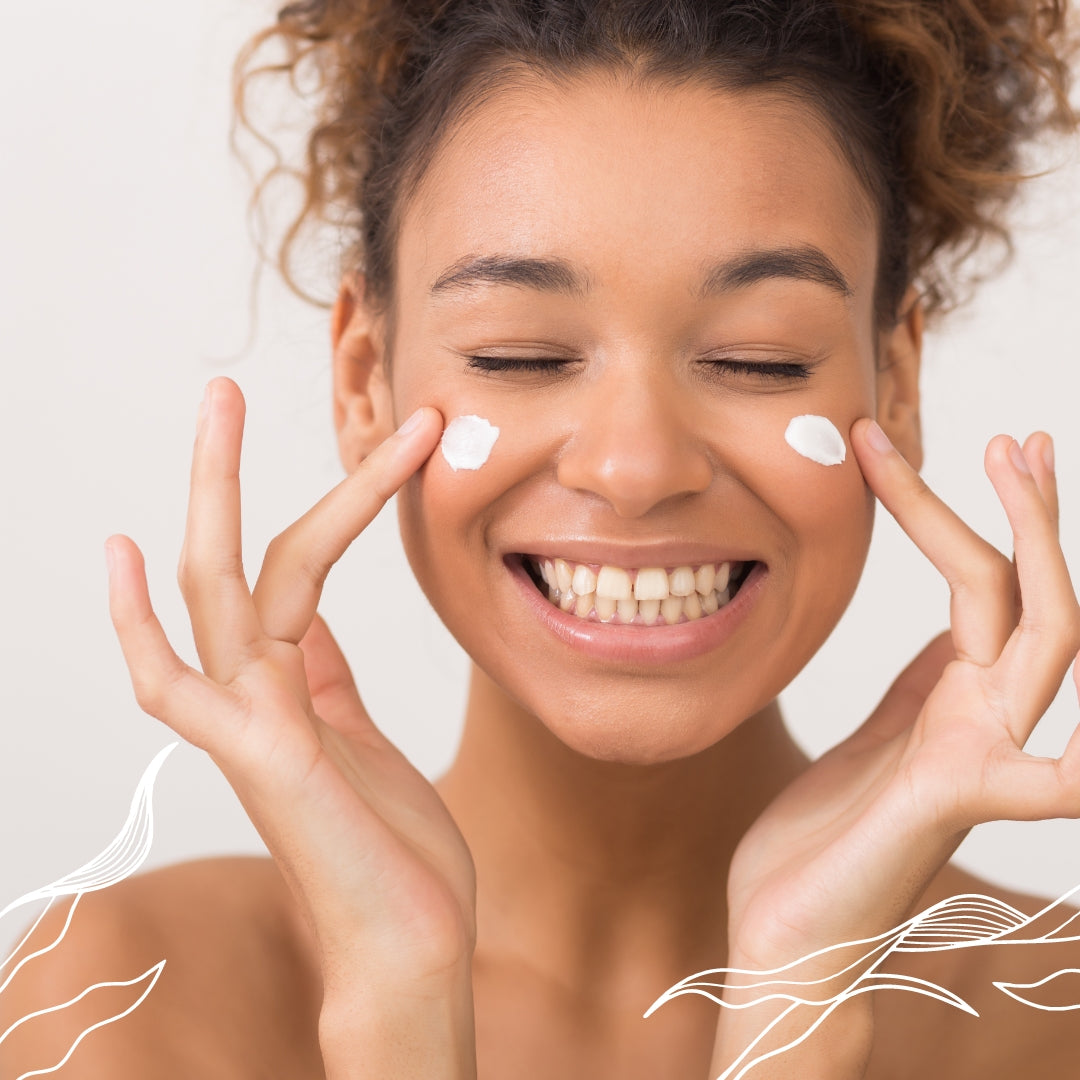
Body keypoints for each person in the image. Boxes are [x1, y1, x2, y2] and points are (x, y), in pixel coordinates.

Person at [2, 0, 1079, 1076]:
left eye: (761, 359)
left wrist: (801, 997)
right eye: (519, 356)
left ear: (895, 384)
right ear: (362, 380)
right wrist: (395, 995)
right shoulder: (115, 998)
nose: (636, 467)